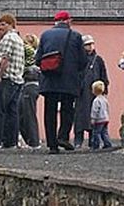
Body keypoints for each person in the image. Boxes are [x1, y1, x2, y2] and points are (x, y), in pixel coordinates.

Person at [35, 10, 86, 153]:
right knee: (67, 109)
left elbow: (38, 58)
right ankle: (63, 136)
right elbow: (83, 60)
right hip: (69, 80)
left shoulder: (45, 35)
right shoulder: (75, 36)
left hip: (50, 78)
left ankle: (52, 144)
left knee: (49, 111)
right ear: (67, 21)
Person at [0, 13, 25, 149]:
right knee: (12, 112)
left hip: (7, 79)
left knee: (0, 110)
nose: (0, 27)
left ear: (11, 25)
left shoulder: (8, 39)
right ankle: (11, 140)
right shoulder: (18, 38)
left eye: (4, 24)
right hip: (18, 79)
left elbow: (4, 59)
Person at [72, 34, 108, 149]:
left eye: (92, 44)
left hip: (94, 92)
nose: (91, 47)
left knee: (95, 116)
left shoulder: (98, 59)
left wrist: (103, 88)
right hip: (81, 93)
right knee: (79, 117)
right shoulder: (77, 60)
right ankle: (78, 140)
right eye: (87, 45)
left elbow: (103, 74)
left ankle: (93, 140)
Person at [18, 64, 42, 148]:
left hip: (29, 85)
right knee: (24, 115)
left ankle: (33, 141)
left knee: (28, 115)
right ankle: (31, 140)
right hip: (32, 85)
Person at [88, 80, 113, 150]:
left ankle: (96, 145)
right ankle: (107, 143)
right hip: (105, 118)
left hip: (99, 120)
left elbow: (95, 110)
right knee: (104, 132)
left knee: (96, 133)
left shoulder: (96, 100)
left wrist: (93, 118)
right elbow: (107, 108)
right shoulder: (104, 99)